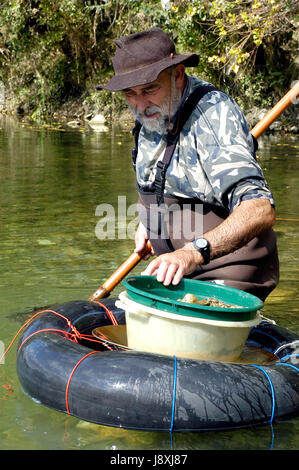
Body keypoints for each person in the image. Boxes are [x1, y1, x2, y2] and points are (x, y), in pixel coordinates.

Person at [98, 27, 279, 301]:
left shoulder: (213, 116)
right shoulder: (152, 113)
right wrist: (151, 222)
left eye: (149, 89)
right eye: (129, 93)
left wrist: (192, 252)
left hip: (226, 278)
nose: (140, 104)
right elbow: (161, 182)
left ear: (178, 74)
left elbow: (259, 210)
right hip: (175, 275)